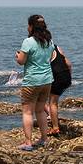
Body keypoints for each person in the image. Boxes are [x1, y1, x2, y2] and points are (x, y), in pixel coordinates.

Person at [15, 15, 54, 151]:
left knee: (27, 112)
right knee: (40, 110)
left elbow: (21, 61)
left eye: (28, 25)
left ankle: (28, 142)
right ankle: (44, 139)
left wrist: (18, 56)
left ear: (31, 27)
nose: (27, 27)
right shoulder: (49, 41)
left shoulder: (28, 42)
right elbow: (50, 57)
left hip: (32, 81)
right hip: (47, 80)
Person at [48, 42, 73, 137]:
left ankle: (55, 127)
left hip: (57, 77)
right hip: (66, 77)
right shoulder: (57, 47)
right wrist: (69, 78)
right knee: (51, 100)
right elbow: (69, 64)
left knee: (52, 102)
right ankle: (51, 115)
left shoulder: (44, 50)